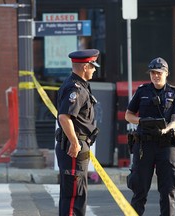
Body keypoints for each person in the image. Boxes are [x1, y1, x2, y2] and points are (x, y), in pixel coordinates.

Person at [125, 57, 175, 216]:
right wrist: (141, 121)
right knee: (139, 190)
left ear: (166, 73)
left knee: (168, 191)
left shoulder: (174, 92)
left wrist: (166, 129)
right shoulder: (142, 91)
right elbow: (128, 115)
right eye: (152, 73)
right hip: (144, 145)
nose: (155, 76)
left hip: (166, 145)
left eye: (159, 73)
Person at [55, 49, 100, 216]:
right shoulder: (76, 89)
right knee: (74, 196)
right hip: (74, 148)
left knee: (75, 195)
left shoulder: (78, 85)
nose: (95, 70)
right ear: (85, 66)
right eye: (93, 66)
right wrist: (75, 143)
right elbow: (64, 117)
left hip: (78, 145)